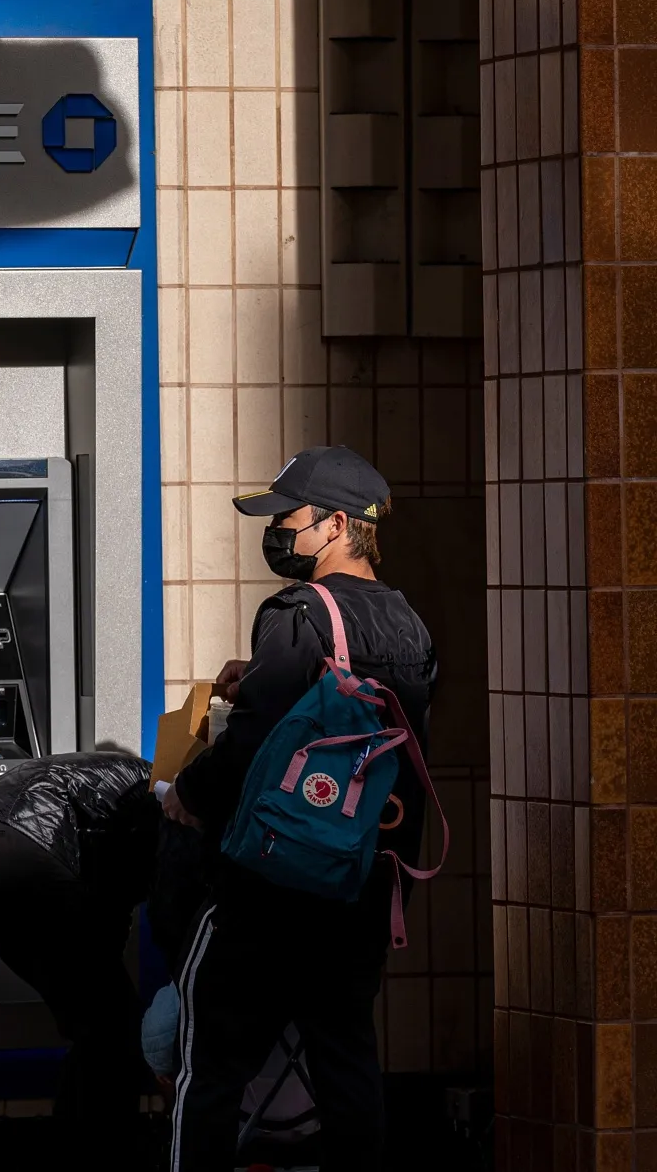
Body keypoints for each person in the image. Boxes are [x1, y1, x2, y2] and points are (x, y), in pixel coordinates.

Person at [161, 445, 437, 1172]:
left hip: (272, 886)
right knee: (345, 1058)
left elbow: (254, 739)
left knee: (210, 1063)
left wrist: (187, 794)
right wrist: (262, 676)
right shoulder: (410, 625)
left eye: (288, 516)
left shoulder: (299, 612)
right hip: (363, 881)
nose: (277, 530)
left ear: (337, 524)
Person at [0, 748, 161, 1171]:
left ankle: (78, 1147)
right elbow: (135, 899)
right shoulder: (159, 796)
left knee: (96, 1023)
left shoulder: (124, 779)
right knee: (114, 1025)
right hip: (25, 849)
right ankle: (107, 1154)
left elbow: (111, 902)